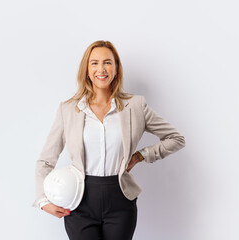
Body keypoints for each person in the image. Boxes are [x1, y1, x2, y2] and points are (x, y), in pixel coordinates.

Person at [32, 40, 186, 240]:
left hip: (120, 202)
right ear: (87, 70)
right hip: (79, 201)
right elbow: (45, 160)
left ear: (116, 68)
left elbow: (176, 138)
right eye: (94, 63)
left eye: (107, 62)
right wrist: (43, 201)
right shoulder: (68, 109)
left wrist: (141, 155)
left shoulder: (136, 106)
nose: (101, 69)